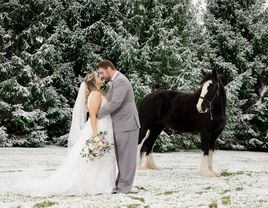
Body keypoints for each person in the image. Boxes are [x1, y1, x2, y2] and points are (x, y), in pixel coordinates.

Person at [14, 72, 117, 196]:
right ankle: (96, 185)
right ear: (93, 82)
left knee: (101, 158)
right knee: (95, 158)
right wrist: (95, 134)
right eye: (98, 77)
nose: (101, 78)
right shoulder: (95, 94)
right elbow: (93, 116)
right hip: (98, 129)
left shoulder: (98, 93)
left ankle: (103, 184)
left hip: (104, 128)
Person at [97, 60, 140, 194]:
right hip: (120, 124)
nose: (101, 76)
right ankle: (120, 185)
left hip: (128, 124)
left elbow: (115, 103)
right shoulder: (113, 82)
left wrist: (97, 113)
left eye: (101, 72)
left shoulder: (121, 81)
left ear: (109, 68)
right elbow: (110, 99)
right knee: (122, 157)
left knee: (127, 158)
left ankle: (123, 188)